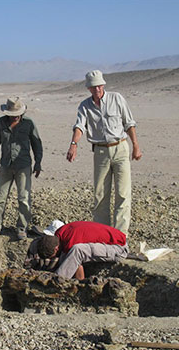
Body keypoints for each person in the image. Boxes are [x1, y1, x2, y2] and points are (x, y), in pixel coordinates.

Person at [66, 70, 142, 235]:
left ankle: (120, 236)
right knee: (100, 195)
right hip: (101, 152)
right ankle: (102, 235)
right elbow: (80, 126)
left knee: (123, 193)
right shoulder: (85, 106)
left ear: (104, 85)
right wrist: (73, 144)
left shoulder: (117, 98)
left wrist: (136, 145)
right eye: (94, 87)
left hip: (120, 148)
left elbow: (129, 123)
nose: (97, 89)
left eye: (99, 86)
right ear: (89, 89)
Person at [0, 97, 43, 241]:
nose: (15, 116)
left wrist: (38, 163)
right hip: (6, 165)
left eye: (18, 113)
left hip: (23, 166)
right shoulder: (0, 123)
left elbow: (37, 143)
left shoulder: (29, 124)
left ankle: (22, 228)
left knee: (24, 198)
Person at [36, 221, 128, 280]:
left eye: (53, 255)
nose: (55, 257)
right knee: (69, 255)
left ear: (56, 248)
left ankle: (57, 281)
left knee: (77, 250)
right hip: (110, 242)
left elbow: (76, 260)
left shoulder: (72, 242)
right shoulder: (60, 233)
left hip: (118, 248)